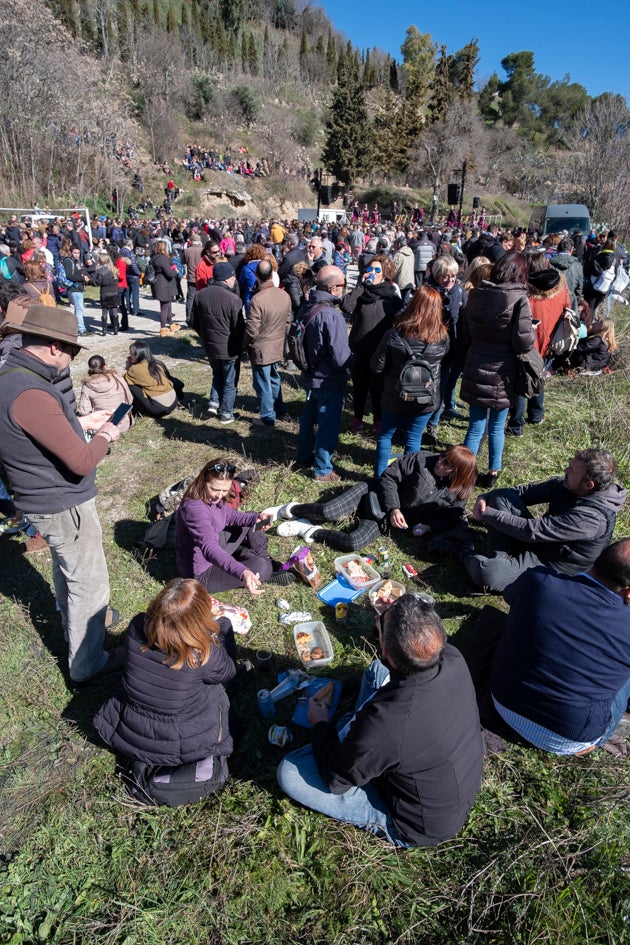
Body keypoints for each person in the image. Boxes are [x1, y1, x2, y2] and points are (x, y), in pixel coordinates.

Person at [276, 593, 484, 847]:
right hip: (450, 780)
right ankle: (353, 735)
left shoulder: (387, 723)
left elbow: (336, 779)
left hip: (421, 824)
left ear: (384, 648)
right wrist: (393, 620)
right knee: (376, 672)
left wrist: (320, 725)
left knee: (290, 773)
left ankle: (348, 733)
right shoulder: (451, 656)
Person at [0, 304, 123, 685]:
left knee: (67, 568)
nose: (71, 360)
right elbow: (82, 461)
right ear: (54, 347)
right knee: (89, 582)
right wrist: (107, 434)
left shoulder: (11, 378)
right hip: (61, 502)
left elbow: (33, 433)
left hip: (38, 497)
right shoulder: (30, 392)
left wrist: (80, 422)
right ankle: (88, 663)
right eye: (71, 351)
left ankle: (72, 621)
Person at [93, 578, 237, 805]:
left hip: (133, 726)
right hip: (182, 737)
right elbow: (228, 672)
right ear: (200, 617)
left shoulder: (137, 625)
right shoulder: (203, 651)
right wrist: (223, 625)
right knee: (218, 690)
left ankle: (143, 761)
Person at [488, 540, 630, 755]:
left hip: (503, 699)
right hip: (570, 739)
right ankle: (603, 733)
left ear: (597, 558)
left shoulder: (538, 580)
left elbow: (510, 597)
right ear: (628, 593)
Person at [463, 448, 627, 592]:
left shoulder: (592, 519)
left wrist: (486, 513)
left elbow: (531, 530)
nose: (566, 470)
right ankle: (501, 561)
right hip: (538, 542)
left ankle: (464, 552)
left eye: (571, 470)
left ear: (588, 485)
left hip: (551, 566)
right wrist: (486, 497)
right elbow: (523, 492)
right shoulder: (568, 485)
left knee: (489, 574)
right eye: (569, 465)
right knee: (502, 497)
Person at [264, 446, 477, 552]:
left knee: (353, 542)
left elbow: (451, 517)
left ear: (457, 472)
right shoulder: (421, 459)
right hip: (375, 492)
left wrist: (428, 526)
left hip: (384, 517)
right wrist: (394, 508)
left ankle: (308, 530)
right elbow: (389, 477)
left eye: (446, 463)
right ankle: (288, 509)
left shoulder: (459, 491)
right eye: (442, 456)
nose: (439, 462)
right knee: (328, 511)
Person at [459, 252, 535, 487]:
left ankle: (464, 474)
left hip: (476, 362)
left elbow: (465, 331)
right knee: (496, 426)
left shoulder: (477, 293)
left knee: (475, 426)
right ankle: (493, 472)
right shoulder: (519, 299)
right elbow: (523, 342)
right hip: (503, 369)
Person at [175, 458, 292, 595]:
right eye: (214, 489)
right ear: (203, 481)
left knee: (252, 518)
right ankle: (262, 568)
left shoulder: (212, 497)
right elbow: (210, 548)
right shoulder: (194, 509)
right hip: (201, 572)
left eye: (224, 490)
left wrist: (256, 518)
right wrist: (242, 572)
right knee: (262, 567)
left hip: (217, 543)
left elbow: (228, 516)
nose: (219, 496)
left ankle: (264, 561)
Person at [371, 285, 449, 477]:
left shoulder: (394, 333)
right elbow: (445, 360)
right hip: (426, 398)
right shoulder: (443, 337)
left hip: (395, 395)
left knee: (385, 437)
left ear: (413, 304)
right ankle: (405, 479)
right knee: (413, 439)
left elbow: (376, 366)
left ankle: (380, 478)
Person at [295, 266, 353, 482]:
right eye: (343, 284)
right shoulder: (332, 316)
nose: (344, 288)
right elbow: (340, 358)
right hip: (329, 379)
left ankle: (303, 456)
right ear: (333, 288)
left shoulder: (306, 306)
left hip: (309, 375)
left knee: (308, 419)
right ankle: (322, 469)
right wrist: (357, 360)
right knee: (327, 425)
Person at [506, 251, 570, 437]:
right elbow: (568, 309)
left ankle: (516, 423)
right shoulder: (561, 288)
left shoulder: (522, 289)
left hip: (526, 340)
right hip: (548, 339)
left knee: (521, 379)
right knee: (538, 375)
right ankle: (536, 414)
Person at [341, 254, 403, 436]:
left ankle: (378, 420)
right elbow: (346, 306)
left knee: (378, 389)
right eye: (370, 269)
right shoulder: (361, 293)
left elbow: (400, 318)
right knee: (359, 387)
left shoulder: (391, 295)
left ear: (385, 273)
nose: (373, 273)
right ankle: (357, 419)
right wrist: (360, 285)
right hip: (360, 349)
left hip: (381, 351)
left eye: (377, 270)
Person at [191, 261, 244, 425]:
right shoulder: (234, 299)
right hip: (229, 348)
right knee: (230, 381)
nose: (235, 279)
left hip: (210, 345)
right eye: (234, 277)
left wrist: (204, 336)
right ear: (227, 279)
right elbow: (239, 328)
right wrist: (242, 344)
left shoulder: (200, 295)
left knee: (217, 373)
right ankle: (226, 413)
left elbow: (193, 321)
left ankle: (214, 403)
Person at [243, 258, 292, 428]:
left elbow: (251, 330)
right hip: (277, 345)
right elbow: (288, 321)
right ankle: (280, 409)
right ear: (272, 275)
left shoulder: (257, 300)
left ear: (256, 276)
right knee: (274, 379)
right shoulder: (284, 295)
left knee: (263, 383)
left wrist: (244, 344)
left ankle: (267, 417)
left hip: (261, 348)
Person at [123, 340, 184, 417]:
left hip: (158, 409)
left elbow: (124, 379)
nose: (129, 356)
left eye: (131, 354)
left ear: (138, 355)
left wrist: (127, 367)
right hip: (174, 401)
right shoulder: (158, 363)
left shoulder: (134, 369)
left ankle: (136, 410)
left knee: (130, 385)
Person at [78, 355, 134, 434]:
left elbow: (84, 411)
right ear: (105, 366)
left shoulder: (87, 385)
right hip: (123, 424)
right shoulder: (117, 378)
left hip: (102, 427)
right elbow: (129, 399)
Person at [150, 240, 179, 336]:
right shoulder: (161, 259)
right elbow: (170, 273)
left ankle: (171, 324)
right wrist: (176, 271)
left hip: (159, 283)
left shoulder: (154, 257)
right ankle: (163, 328)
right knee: (164, 307)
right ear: (163, 249)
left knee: (168, 304)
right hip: (163, 284)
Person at [89, 251, 121, 335]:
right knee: (114, 310)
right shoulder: (114, 270)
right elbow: (117, 280)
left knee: (104, 311)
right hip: (114, 291)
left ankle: (104, 330)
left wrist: (89, 281)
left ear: (101, 260)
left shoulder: (100, 271)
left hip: (105, 292)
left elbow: (97, 283)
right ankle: (116, 329)